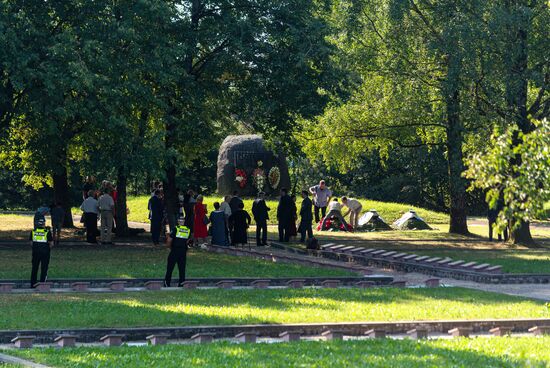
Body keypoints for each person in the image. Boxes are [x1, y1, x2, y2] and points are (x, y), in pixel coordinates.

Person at [164, 217, 190, 287]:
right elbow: (187, 240)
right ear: (184, 222)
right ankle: (181, 283)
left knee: (170, 267)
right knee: (182, 268)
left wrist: (169, 247)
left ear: (178, 222)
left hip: (175, 250)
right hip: (183, 251)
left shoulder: (176, 228)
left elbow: (169, 240)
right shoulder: (188, 229)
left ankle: (167, 283)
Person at [29, 217, 53, 287]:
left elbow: (31, 243)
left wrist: (35, 248)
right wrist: (48, 249)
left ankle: (33, 284)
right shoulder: (47, 232)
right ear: (44, 224)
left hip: (36, 252)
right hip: (45, 253)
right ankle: (42, 284)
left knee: (34, 268)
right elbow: (51, 243)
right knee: (44, 268)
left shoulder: (33, 231)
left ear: (37, 224)